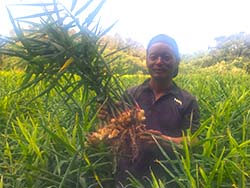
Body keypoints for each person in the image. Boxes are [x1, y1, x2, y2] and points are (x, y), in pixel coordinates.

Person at [99, 34, 200, 187]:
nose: (159, 62)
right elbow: (116, 131)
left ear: (177, 61)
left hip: (167, 180)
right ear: (147, 60)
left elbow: (195, 141)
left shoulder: (187, 101)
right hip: (127, 178)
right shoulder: (131, 94)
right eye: (154, 57)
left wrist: (164, 142)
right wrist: (106, 117)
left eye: (166, 57)